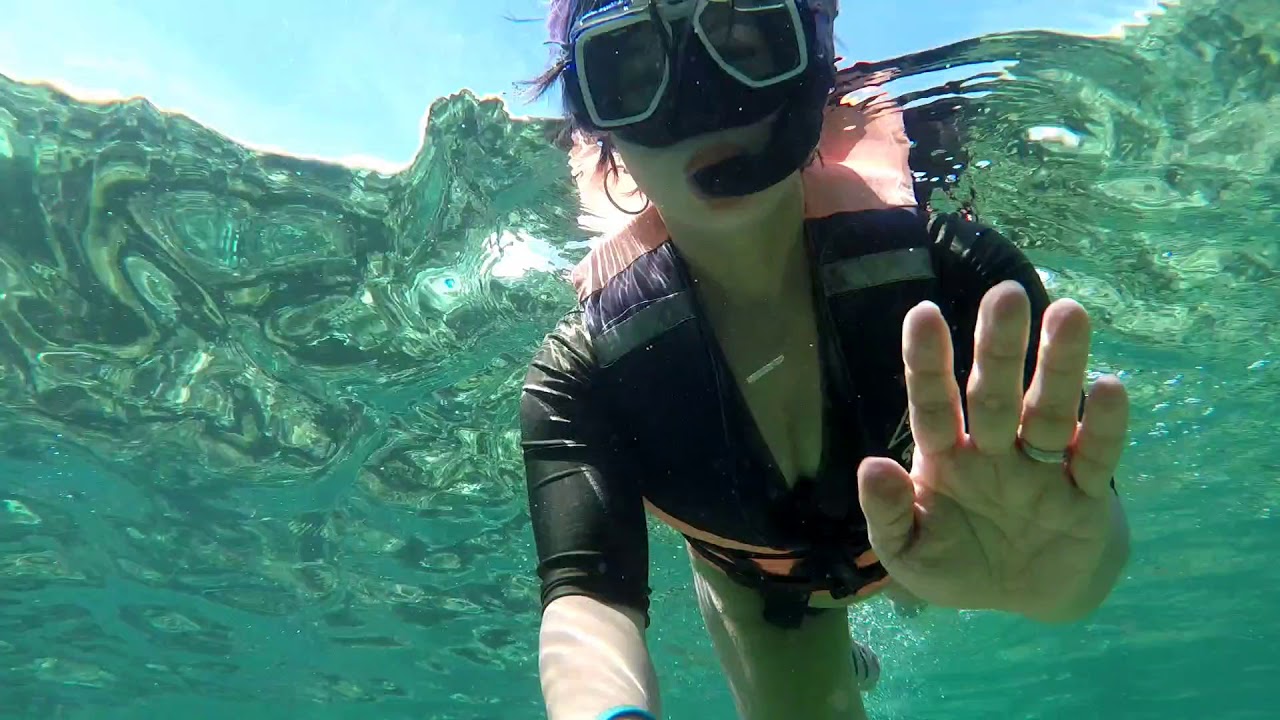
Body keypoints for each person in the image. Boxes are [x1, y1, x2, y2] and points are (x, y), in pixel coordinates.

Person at [518, 2, 1132, 719]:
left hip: (940, 533)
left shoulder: (955, 272)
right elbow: (590, 602)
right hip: (766, 593)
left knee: (920, 581)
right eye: (631, 69)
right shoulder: (582, 372)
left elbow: (1072, 542)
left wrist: (1065, 576)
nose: (700, 102)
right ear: (600, 130)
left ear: (811, 60)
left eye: (744, 40)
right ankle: (844, 653)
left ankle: (889, 612)